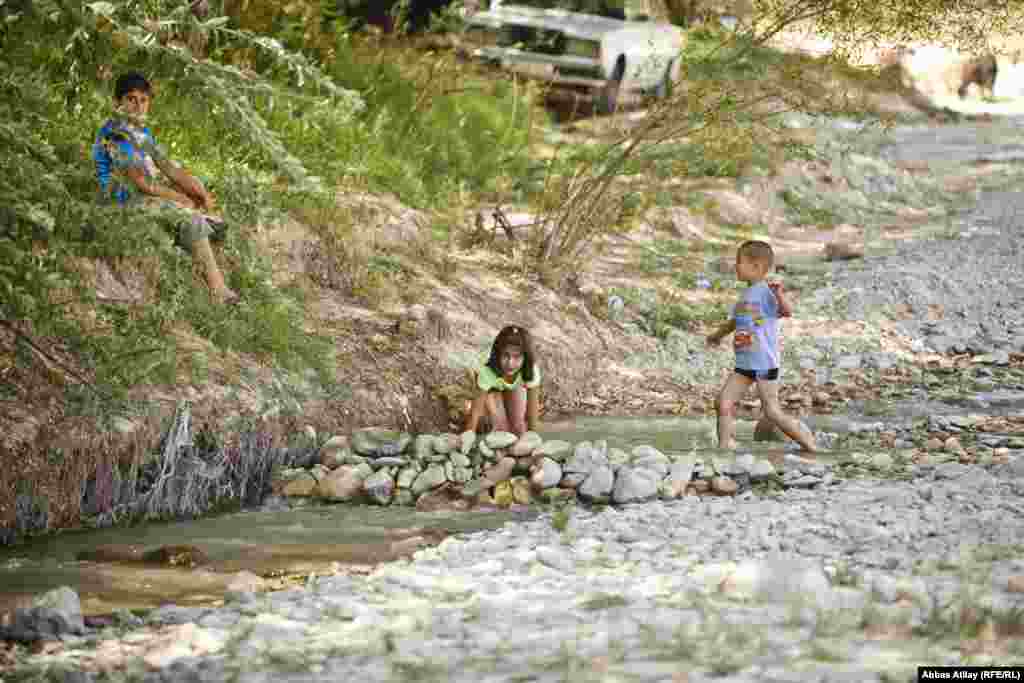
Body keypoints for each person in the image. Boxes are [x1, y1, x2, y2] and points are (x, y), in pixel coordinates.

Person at [93, 71, 238, 304]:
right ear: (117, 102)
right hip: (121, 204)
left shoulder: (141, 134)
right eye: (131, 99)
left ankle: (199, 251)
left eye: (143, 100)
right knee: (191, 218)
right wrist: (182, 200)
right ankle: (218, 290)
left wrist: (201, 194)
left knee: (208, 214)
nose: (138, 106)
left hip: (143, 198)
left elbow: (170, 168)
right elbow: (142, 183)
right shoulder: (116, 134)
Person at [706, 240, 817, 452]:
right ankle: (724, 446)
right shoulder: (745, 295)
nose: (736, 266)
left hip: (764, 363)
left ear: (756, 267)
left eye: (739, 262)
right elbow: (735, 321)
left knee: (772, 411)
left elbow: (786, 312)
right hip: (745, 363)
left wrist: (779, 294)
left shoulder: (767, 291)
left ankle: (809, 445)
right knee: (723, 402)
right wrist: (717, 335)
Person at [464, 325, 541, 436]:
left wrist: (533, 441)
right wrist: (466, 439)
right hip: (491, 385)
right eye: (506, 355)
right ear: (498, 354)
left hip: (514, 384)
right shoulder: (487, 370)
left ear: (525, 358)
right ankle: (469, 408)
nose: (510, 363)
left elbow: (532, 412)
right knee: (500, 427)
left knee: (519, 428)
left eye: (517, 357)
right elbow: (475, 413)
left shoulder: (531, 370)